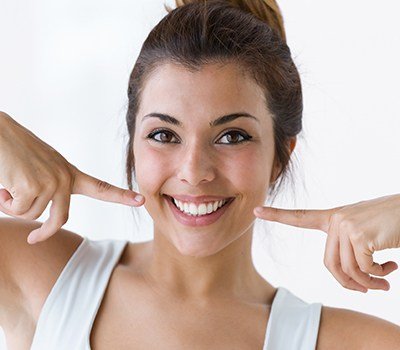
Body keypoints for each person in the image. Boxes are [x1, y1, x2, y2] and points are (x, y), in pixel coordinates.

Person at [0, 0, 399, 349]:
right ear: (133, 143)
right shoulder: (38, 273)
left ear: (281, 155)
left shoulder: (349, 343)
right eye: (163, 134)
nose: (193, 172)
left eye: (232, 136)